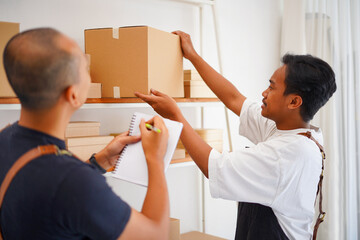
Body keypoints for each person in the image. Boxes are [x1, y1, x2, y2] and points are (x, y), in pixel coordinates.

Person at [135, 31, 337, 240]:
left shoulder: (287, 154)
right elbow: (233, 98)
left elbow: (213, 166)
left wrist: (175, 115)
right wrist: (193, 56)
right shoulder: (292, 130)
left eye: (272, 87)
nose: (264, 93)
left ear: (294, 102)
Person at [0, 28, 170, 240]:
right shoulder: (74, 182)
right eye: (86, 69)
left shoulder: (5, 139)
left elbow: (45, 195)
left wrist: (101, 160)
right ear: (73, 95)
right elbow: (156, 234)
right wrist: (155, 158)